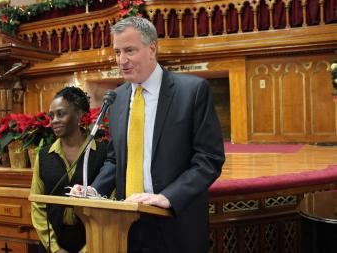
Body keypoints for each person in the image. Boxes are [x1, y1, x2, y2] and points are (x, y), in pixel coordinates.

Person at [71, 17, 225, 253]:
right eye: (117, 52)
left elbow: (209, 159)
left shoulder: (191, 92)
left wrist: (168, 197)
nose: (121, 60)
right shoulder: (118, 98)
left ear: (152, 48)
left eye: (130, 50)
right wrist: (95, 190)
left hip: (175, 220)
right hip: (128, 223)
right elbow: (116, 159)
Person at [30, 87, 107, 253]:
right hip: (52, 244)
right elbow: (37, 204)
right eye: (51, 116)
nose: (54, 120)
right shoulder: (43, 156)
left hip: (93, 242)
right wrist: (55, 248)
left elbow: (110, 205)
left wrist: (88, 248)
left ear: (79, 115)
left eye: (61, 114)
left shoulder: (103, 154)